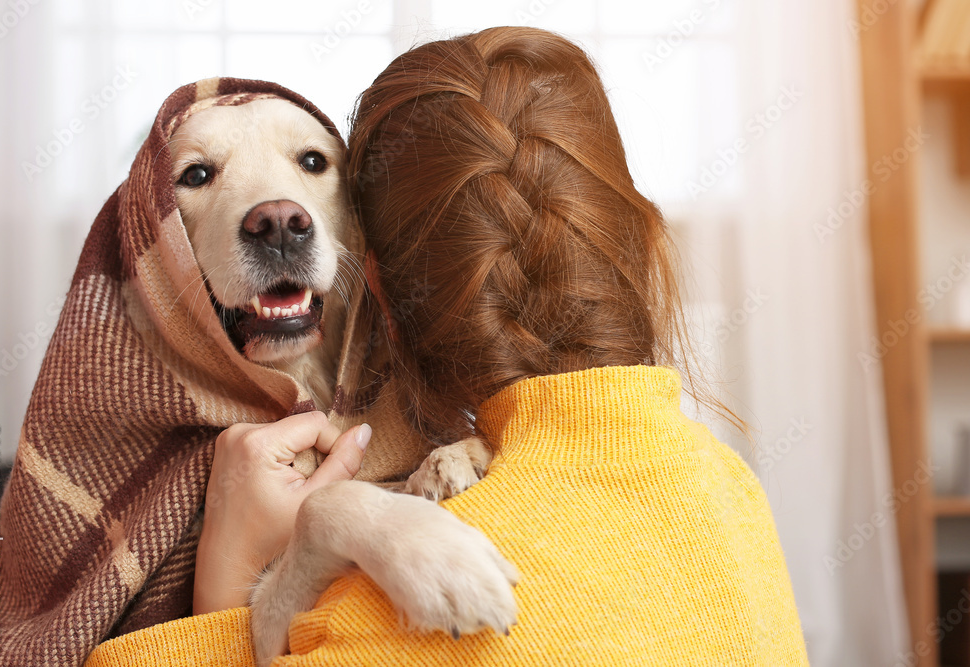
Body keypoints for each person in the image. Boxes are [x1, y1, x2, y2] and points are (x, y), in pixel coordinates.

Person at [274, 26, 810, 665]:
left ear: (381, 296)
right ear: (639, 240)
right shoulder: (737, 492)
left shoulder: (390, 613)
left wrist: (228, 571)